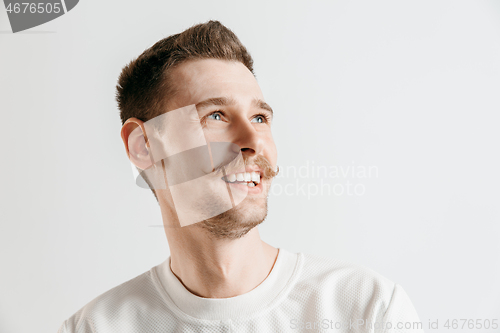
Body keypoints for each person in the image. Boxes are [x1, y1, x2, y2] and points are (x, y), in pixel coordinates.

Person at [57, 20, 423, 333]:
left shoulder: (366, 310)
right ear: (143, 146)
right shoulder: (96, 327)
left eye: (260, 118)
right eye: (215, 115)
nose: (253, 143)